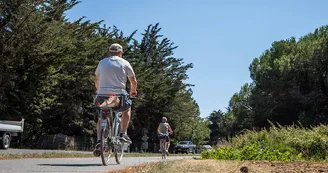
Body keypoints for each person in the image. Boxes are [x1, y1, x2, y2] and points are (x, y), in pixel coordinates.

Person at [94, 43, 137, 145]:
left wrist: (98, 90)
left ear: (110, 52)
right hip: (119, 95)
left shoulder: (102, 62)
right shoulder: (125, 63)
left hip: (102, 94)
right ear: (120, 53)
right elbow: (133, 81)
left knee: (101, 117)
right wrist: (133, 91)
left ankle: (99, 140)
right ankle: (123, 133)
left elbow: (97, 79)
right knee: (127, 109)